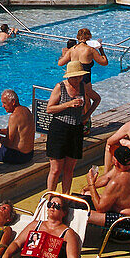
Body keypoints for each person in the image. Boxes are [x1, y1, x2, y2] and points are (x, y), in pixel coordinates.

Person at [0, 194, 82, 258]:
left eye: (57, 206)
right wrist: (6, 256)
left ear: (64, 212)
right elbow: (17, 243)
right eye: (49, 204)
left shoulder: (68, 233)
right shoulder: (35, 225)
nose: (52, 207)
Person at [84, 145, 130, 239]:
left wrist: (91, 184)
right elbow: (106, 178)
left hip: (128, 222)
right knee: (86, 194)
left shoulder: (118, 181)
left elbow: (100, 208)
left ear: (115, 161)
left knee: (80, 213)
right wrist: (86, 188)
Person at [46, 62, 88, 193]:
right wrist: (68, 104)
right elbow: (49, 109)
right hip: (59, 129)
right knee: (56, 169)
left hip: (76, 129)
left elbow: (96, 99)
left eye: (80, 76)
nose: (77, 79)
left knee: (69, 169)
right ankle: (50, 197)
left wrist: (87, 115)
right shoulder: (60, 87)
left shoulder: (83, 87)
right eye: (75, 77)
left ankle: (65, 197)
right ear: (68, 77)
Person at [57, 28, 108, 122]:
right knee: (88, 101)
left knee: (74, 100)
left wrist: (64, 54)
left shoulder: (72, 50)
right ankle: (86, 121)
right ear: (89, 38)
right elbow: (104, 62)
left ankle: (74, 120)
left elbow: (60, 63)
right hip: (85, 79)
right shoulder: (90, 50)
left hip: (72, 79)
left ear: (78, 37)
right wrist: (101, 49)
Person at [0, 89, 35, 165]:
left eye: (4, 103)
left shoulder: (14, 116)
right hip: (29, 154)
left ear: (13, 102)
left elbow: (8, 143)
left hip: (18, 156)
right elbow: (18, 131)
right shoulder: (26, 110)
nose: (3, 106)